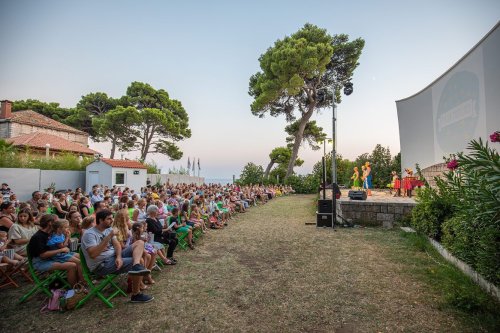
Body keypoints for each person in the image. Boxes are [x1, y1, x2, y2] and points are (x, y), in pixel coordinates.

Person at [81, 210, 153, 303]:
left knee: (139, 243)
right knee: (141, 261)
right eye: (109, 219)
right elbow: (93, 254)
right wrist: (109, 236)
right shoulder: (89, 234)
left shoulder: (108, 229)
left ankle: (136, 266)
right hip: (101, 264)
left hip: (114, 257)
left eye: (112, 218)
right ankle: (136, 295)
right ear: (100, 220)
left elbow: (117, 245)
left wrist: (119, 257)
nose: (112, 220)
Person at [27, 214, 80, 286]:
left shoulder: (52, 233)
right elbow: (43, 255)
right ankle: (75, 288)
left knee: (80, 258)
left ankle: (80, 282)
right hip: (41, 262)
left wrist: (67, 236)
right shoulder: (38, 237)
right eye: (57, 221)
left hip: (53, 257)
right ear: (50, 223)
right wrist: (61, 250)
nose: (59, 223)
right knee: (72, 265)